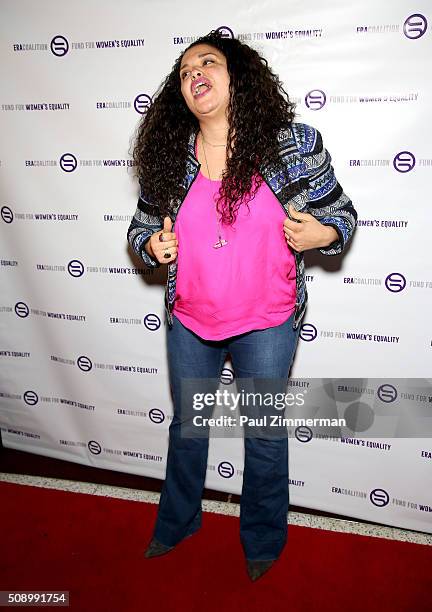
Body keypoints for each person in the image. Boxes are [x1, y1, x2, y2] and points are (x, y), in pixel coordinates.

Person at [127, 30, 357, 581]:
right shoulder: (169, 156)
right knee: (187, 427)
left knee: (264, 432)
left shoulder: (293, 144)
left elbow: (343, 216)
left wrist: (322, 233)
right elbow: (140, 227)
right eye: (183, 71)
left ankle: (262, 540)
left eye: (206, 62)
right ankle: (178, 523)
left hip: (268, 321)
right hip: (190, 320)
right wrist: (150, 245)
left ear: (239, 76)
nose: (193, 75)